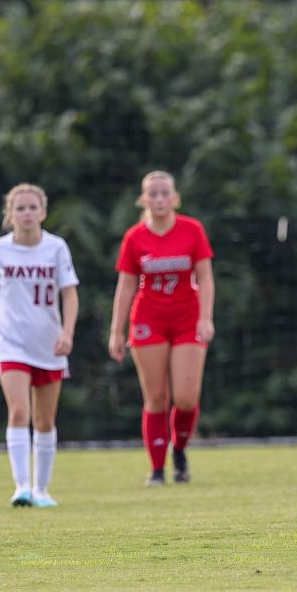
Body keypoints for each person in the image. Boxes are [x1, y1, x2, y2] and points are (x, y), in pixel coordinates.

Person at [0, 183, 80, 508]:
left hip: (48, 343)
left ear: (43, 212)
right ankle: (21, 487)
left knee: (44, 420)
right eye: (20, 208)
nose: (27, 213)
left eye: (33, 207)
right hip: (10, 341)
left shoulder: (56, 248)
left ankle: (41, 489)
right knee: (19, 411)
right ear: (11, 214)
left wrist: (67, 333)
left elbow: (69, 293)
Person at [108, 171, 215, 486]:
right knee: (156, 397)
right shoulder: (134, 237)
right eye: (152, 194)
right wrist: (116, 331)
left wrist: (205, 317)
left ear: (174, 197)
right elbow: (126, 286)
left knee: (186, 397)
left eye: (164, 193)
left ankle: (179, 450)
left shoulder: (192, 229)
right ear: (143, 199)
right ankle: (157, 470)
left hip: (187, 318)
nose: (158, 199)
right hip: (149, 320)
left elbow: (205, 277)